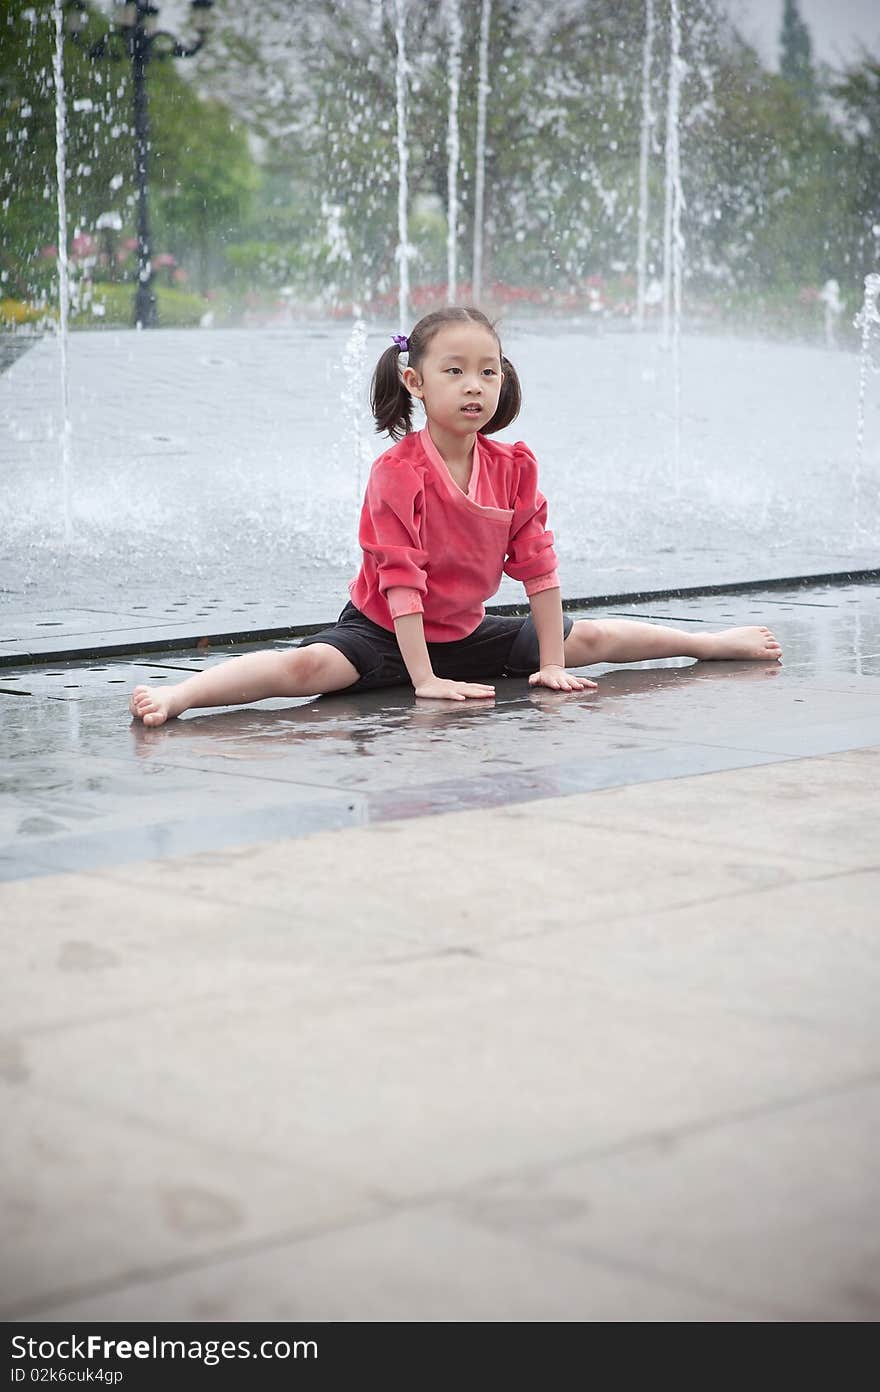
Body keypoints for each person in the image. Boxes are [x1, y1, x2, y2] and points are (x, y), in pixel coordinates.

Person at [129, 306, 781, 727]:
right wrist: (425, 681)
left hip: (467, 633)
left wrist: (550, 662)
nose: (475, 385)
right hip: (384, 632)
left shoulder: (513, 466)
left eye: (488, 371)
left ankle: (708, 642)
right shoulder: (399, 473)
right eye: (456, 371)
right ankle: (185, 695)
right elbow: (401, 582)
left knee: (592, 641)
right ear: (416, 384)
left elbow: (540, 572)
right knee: (305, 671)